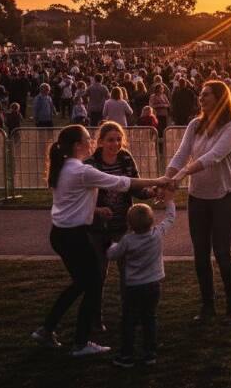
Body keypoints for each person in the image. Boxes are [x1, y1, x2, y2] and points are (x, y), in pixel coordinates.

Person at [31, 125, 167, 356]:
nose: (91, 142)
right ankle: (80, 343)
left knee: (81, 285)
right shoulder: (81, 171)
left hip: (62, 234)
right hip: (73, 237)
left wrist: (95, 211)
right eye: (87, 139)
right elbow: (122, 183)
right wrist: (161, 180)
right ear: (77, 146)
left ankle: (46, 329)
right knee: (91, 285)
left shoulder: (66, 167)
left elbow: (69, 203)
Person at [165, 80, 231, 325]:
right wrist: (167, 178)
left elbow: (214, 156)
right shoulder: (195, 125)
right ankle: (207, 304)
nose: (201, 98)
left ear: (219, 98)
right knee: (200, 253)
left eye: (206, 94)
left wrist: (180, 175)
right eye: (200, 94)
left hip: (226, 195)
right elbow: (181, 154)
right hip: (198, 196)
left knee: (221, 251)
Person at [85, 121, 154, 332]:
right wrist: (98, 210)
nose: (115, 144)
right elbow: (83, 196)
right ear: (101, 142)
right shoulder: (91, 163)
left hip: (123, 226)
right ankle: (95, 318)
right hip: (98, 228)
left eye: (118, 139)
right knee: (98, 274)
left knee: (128, 273)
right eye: (110, 140)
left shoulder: (125, 158)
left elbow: (134, 184)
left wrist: (149, 192)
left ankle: (130, 314)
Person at [106, 188, 176, 368]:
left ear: (129, 224)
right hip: (153, 284)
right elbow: (170, 218)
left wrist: (111, 243)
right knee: (150, 318)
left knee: (129, 319)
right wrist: (169, 201)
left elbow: (112, 255)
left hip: (134, 286)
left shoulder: (128, 241)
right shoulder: (157, 234)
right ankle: (149, 353)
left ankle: (127, 355)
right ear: (151, 221)